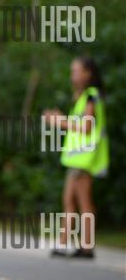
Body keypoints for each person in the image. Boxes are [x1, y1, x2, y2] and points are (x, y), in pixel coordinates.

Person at [44, 56, 108, 259]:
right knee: (69, 201)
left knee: (83, 202)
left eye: (76, 71)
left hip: (83, 158)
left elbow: (87, 127)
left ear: (88, 73)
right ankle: (65, 244)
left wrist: (60, 121)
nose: (73, 76)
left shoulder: (91, 96)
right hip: (77, 159)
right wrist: (62, 118)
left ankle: (86, 247)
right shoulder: (83, 97)